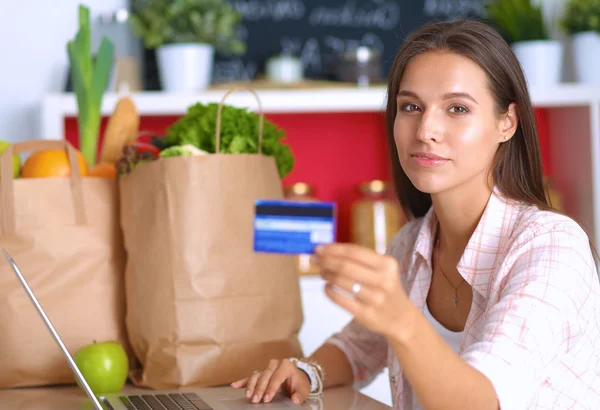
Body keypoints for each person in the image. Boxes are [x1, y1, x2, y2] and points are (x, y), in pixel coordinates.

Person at [231, 18, 600, 409]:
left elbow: (483, 402)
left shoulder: (552, 247)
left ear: (506, 123)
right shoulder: (409, 244)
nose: (426, 130)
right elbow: (359, 347)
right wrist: (305, 371)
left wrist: (401, 321)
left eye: (457, 108)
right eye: (410, 107)